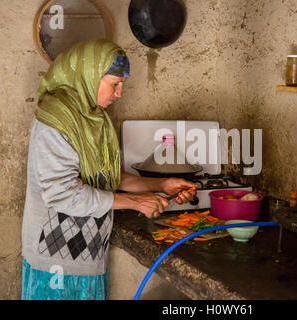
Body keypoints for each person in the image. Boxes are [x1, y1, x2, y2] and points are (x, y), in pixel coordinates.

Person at [21, 39, 197, 300]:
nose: (119, 94)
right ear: (90, 76)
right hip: (56, 262)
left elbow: (107, 178)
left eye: (122, 85)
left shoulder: (94, 117)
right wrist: (135, 203)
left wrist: (160, 185)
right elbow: (63, 193)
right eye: (115, 83)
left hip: (90, 255)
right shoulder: (55, 120)